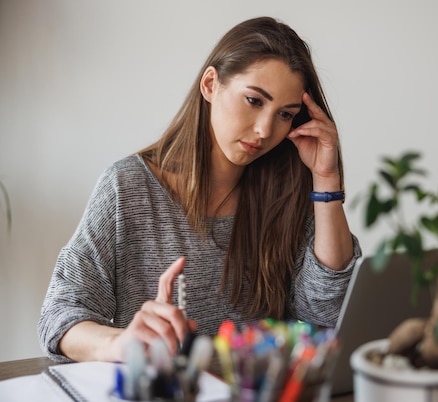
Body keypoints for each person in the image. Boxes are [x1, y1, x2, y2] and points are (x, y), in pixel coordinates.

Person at [37, 16, 361, 363]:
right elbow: (60, 315)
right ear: (211, 84)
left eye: (285, 114)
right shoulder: (128, 188)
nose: (265, 129)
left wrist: (326, 181)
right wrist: (120, 343)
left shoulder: (287, 192)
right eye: (254, 100)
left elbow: (330, 318)